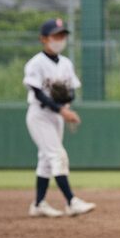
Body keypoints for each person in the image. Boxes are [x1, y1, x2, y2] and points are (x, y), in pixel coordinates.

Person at [23, 18, 95, 217]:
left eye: (62, 35)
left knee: (46, 160)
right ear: (43, 39)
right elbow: (38, 94)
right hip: (40, 115)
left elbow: (71, 91)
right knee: (57, 155)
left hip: (57, 116)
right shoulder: (35, 64)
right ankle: (71, 201)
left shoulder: (66, 64)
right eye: (56, 35)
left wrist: (66, 102)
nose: (60, 39)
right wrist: (62, 110)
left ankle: (38, 204)